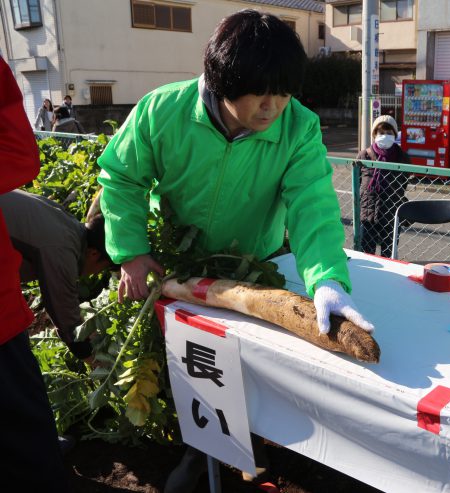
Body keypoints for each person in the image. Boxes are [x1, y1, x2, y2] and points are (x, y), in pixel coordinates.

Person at [96, 10, 374, 491]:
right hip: (178, 262)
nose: (273, 107)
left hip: (252, 265)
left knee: (246, 362)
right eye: (260, 94)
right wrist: (131, 252)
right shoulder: (163, 110)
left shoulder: (299, 128)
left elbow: (312, 204)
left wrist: (327, 277)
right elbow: (121, 176)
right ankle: (198, 449)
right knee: (186, 358)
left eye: (284, 93)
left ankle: (249, 444)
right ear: (221, 81)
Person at [0, 56, 71, 493]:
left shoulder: (65, 237)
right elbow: (21, 155)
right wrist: (80, 348)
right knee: (23, 422)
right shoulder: (65, 245)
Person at [0, 189, 115, 362]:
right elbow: (62, 308)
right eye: (103, 268)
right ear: (94, 254)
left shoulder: (69, 226)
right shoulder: (63, 250)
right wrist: (90, 357)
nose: (96, 273)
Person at [357, 115, 411, 258]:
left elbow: (403, 185)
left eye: (389, 133)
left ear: (395, 135)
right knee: (366, 256)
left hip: (391, 214)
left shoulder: (403, 158)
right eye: (381, 133)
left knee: (389, 257)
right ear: (374, 134)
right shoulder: (364, 156)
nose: (385, 136)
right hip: (367, 213)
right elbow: (357, 183)